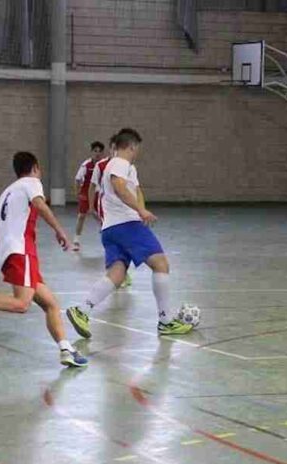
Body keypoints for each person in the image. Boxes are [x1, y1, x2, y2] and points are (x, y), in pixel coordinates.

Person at [0, 151, 87, 368]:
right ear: (35, 168)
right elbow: (40, 205)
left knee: (50, 304)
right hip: (22, 251)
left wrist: (4, 249)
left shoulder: (8, 192)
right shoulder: (32, 182)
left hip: (14, 253)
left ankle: (66, 349)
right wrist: (60, 231)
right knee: (21, 304)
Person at [66, 128, 193, 337]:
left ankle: (82, 310)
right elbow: (119, 186)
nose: (137, 153)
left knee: (117, 274)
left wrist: (141, 209)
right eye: (137, 148)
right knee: (161, 264)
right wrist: (140, 211)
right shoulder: (119, 163)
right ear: (132, 146)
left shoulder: (123, 167)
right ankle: (166, 321)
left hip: (110, 228)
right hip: (126, 224)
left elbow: (134, 190)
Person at [89, 134, 132, 288]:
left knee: (123, 239)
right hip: (106, 208)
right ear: (111, 148)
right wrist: (91, 206)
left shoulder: (127, 166)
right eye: (113, 148)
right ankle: (117, 272)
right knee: (113, 239)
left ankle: (122, 271)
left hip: (123, 208)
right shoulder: (101, 166)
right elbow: (92, 186)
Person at [72, 141, 105, 251]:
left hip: (98, 194)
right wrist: (78, 193)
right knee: (81, 216)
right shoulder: (86, 165)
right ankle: (76, 241)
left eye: (99, 152)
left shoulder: (103, 165)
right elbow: (77, 179)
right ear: (91, 152)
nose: (97, 154)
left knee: (102, 216)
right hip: (85, 193)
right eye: (95, 151)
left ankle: (106, 234)